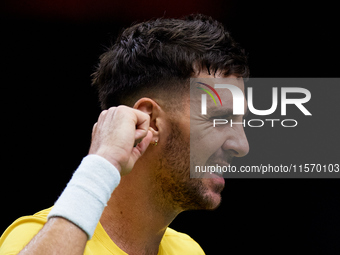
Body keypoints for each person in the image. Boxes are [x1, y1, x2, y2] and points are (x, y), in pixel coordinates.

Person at [0, 14, 249, 255]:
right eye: (220, 118)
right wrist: (102, 162)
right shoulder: (33, 238)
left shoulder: (189, 250)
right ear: (150, 121)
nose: (242, 145)